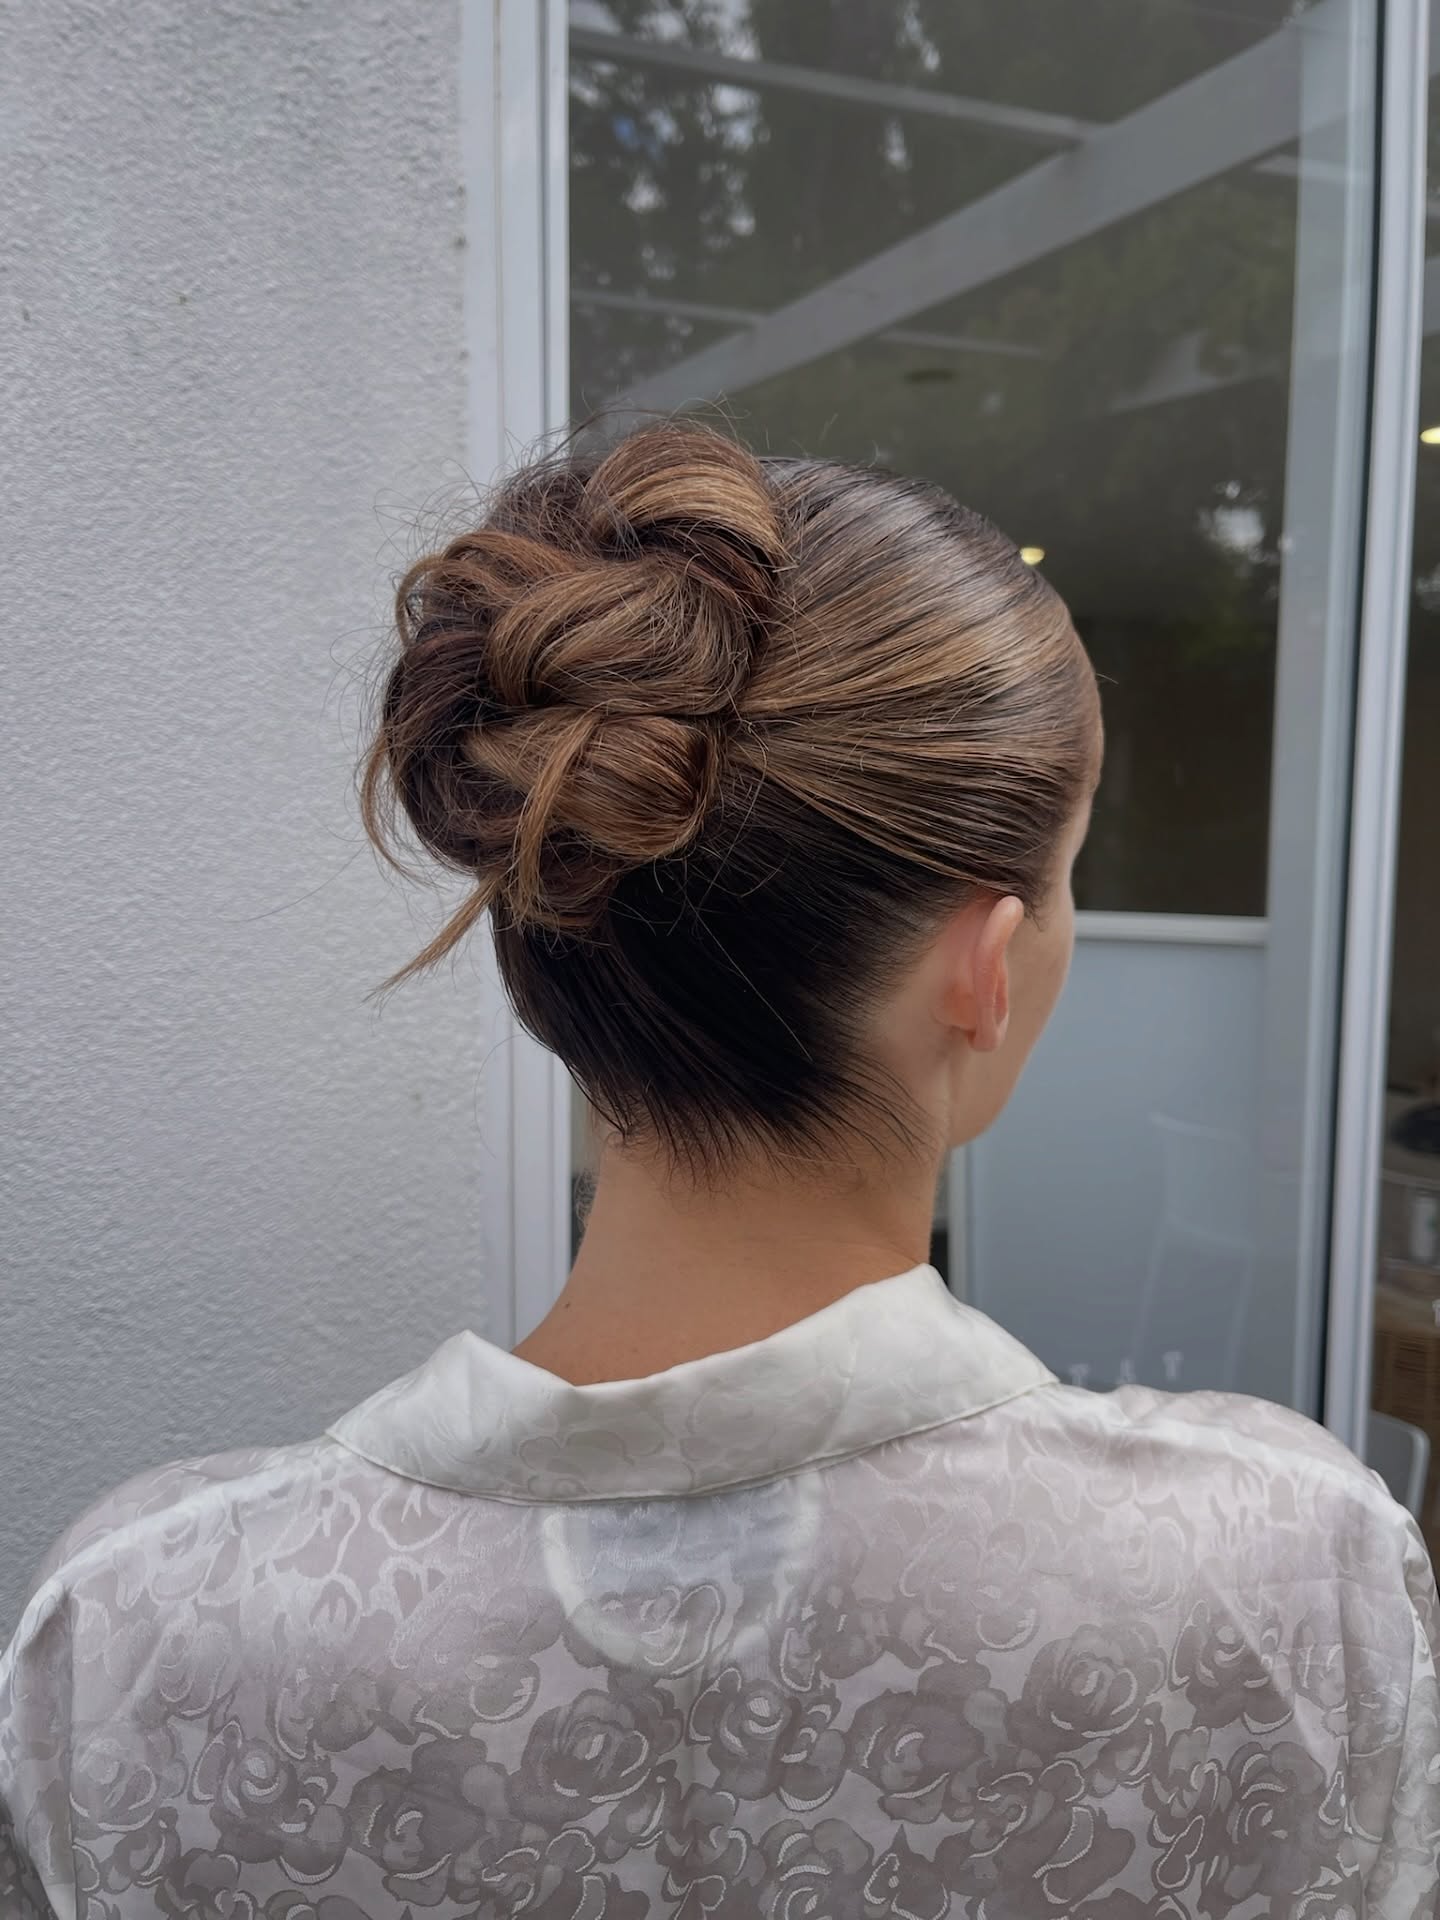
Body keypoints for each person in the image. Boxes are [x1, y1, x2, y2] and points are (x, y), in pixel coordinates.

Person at [2, 423, 1436, 1918]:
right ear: (986, 970)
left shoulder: (138, 1637)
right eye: (1065, 878)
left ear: (551, 929)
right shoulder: (1287, 1583)